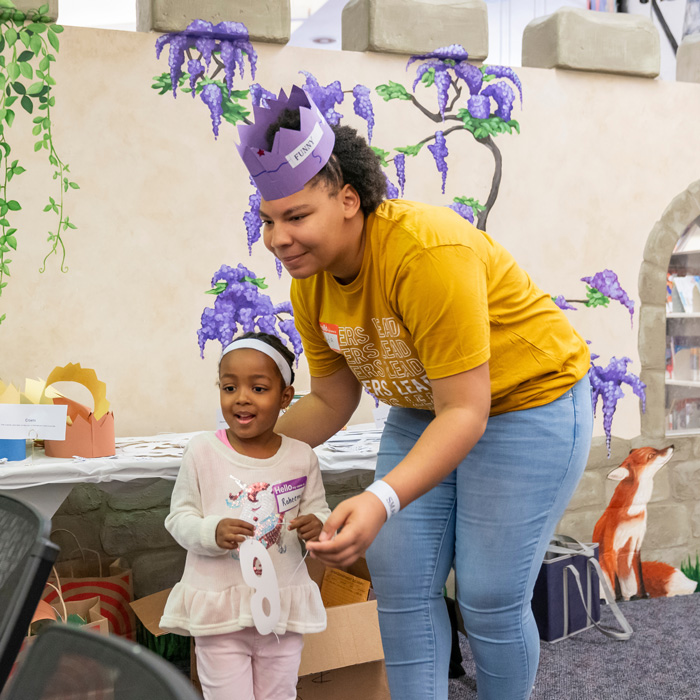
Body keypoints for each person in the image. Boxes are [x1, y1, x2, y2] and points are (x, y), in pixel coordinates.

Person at [236, 87, 594, 700]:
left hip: (530, 404)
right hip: (424, 409)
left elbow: (467, 410)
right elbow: (330, 400)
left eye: (296, 217)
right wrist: (240, 452)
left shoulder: (426, 250)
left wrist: (378, 499)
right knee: (401, 588)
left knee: (486, 597)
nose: (278, 238)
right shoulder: (310, 285)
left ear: (349, 200)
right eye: (269, 220)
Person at [160, 331, 331, 700]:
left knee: (280, 694)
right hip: (219, 611)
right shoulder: (202, 451)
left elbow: (319, 512)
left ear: (285, 396)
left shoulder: (302, 456)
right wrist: (211, 532)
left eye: (258, 388)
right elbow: (179, 518)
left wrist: (317, 527)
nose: (241, 398)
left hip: (280, 610)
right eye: (229, 387)